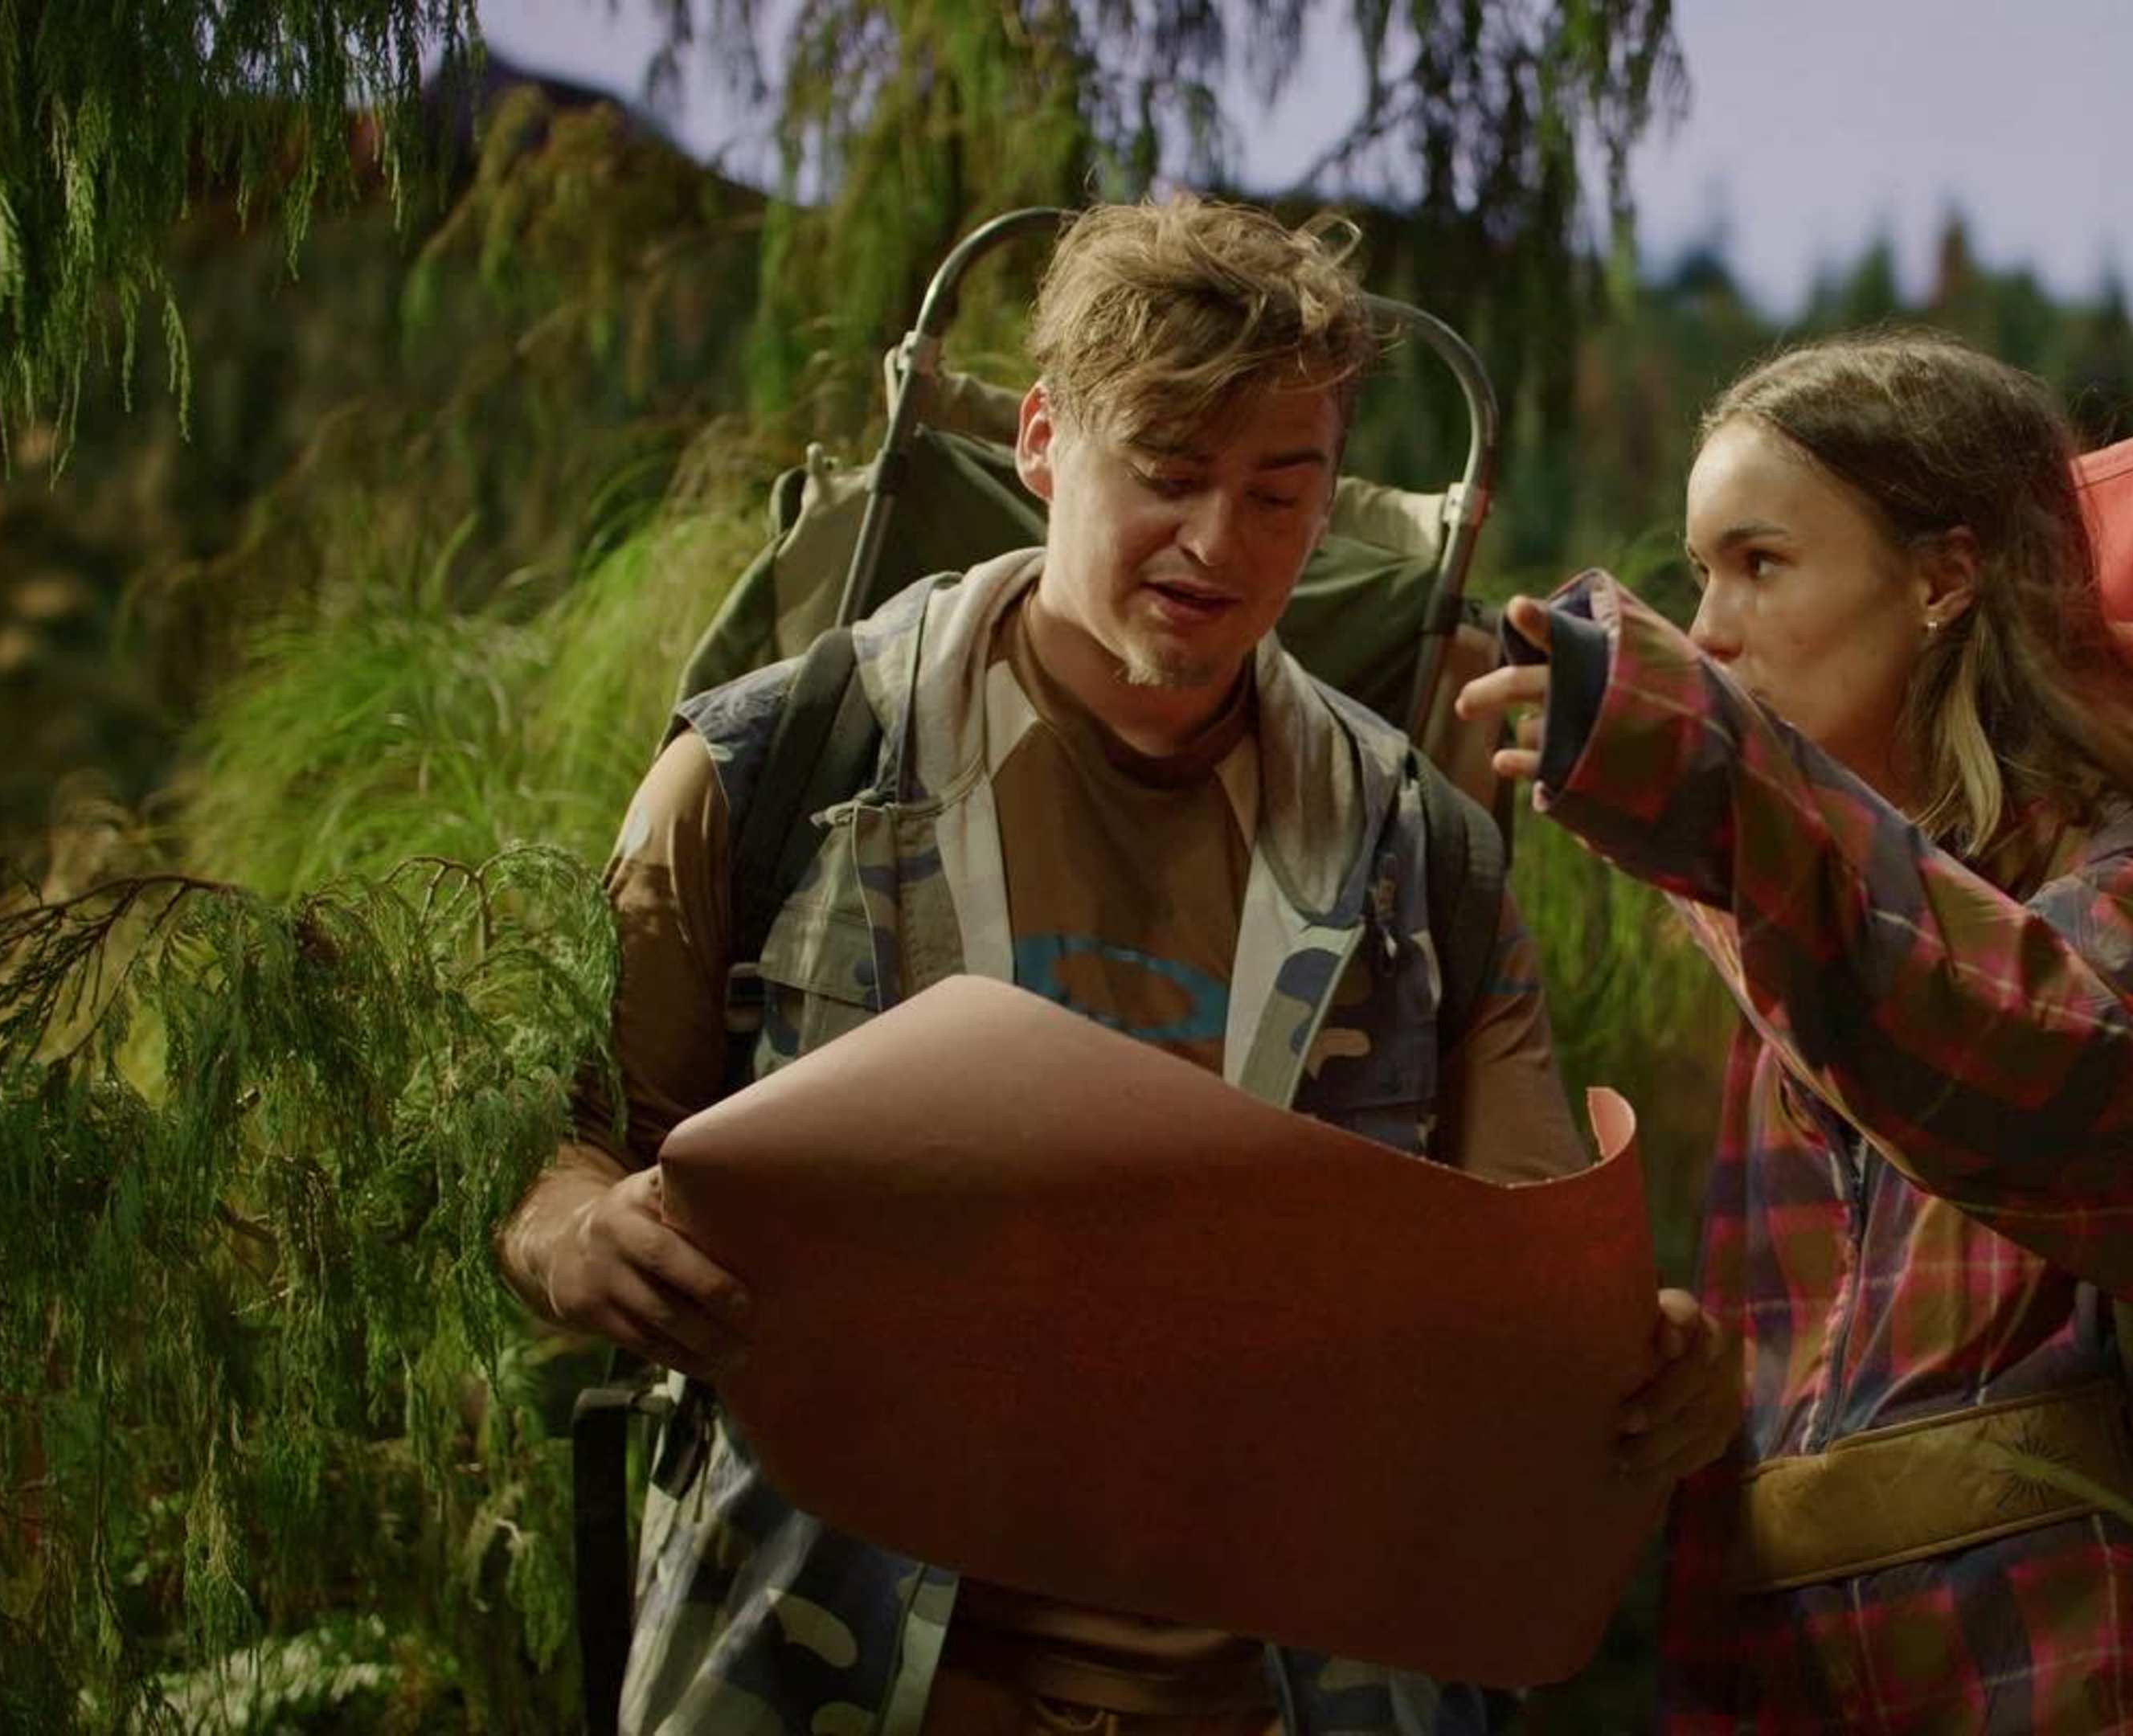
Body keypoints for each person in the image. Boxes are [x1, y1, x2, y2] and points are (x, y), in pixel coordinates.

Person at [497, 199, 1663, 1736]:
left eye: (1279, 491)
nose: (1217, 543)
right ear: (1044, 441)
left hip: (1278, 1691)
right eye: (1167, 474)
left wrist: (1638, 1373)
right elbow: (558, 1151)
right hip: (836, 1662)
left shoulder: (1420, 861)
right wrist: (576, 1235)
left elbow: (1528, 1304)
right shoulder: (782, 765)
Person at [1458, 330, 2133, 1731]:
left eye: (1762, 564)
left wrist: (1722, 796)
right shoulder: (1793, 934)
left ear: (1944, 580)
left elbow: (2065, 1068)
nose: (1711, 629)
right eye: (1697, 574)